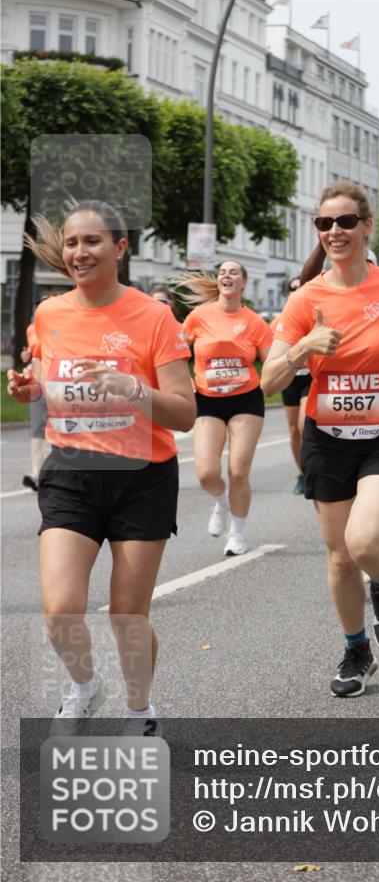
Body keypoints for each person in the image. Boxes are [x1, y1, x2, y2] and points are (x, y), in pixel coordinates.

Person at [6, 201, 195, 736]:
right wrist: (32, 386)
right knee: (61, 610)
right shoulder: (49, 313)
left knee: (126, 616)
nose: (79, 252)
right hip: (71, 472)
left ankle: (139, 710)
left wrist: (134, 389)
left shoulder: (153, 317)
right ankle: (86, 687)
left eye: (92, 242)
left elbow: (185, 412)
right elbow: (47, 372)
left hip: (143, 477)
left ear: (120, 247)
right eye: (71, 243)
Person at [261, 182, 379, 697]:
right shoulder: (306, 298)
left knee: (363, 542)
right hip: (328, 438)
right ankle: (356, 649)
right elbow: (268, 380)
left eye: (345, 222)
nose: (335, 232)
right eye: (325, 224)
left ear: (366, 226)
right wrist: (303, 348)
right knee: (340, 557)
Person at [178, 261, 273, 556]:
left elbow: (270, 362)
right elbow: (177, 352)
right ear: (218, 282)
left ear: (243, 282)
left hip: (246, 398)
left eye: (233, 272)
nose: (226, 276)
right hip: (207, 398)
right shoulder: (198, 316)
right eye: (222, 273)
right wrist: (183, 383)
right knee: (206, 472)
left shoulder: (255, 322)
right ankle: (221, 503)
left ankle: (238, 534)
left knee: (238, 471)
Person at [276, 277, 311, 495]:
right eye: (292, 288)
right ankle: (302, 473)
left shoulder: (312, 315)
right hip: (290, 378)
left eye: (301, 288)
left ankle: (312, 469)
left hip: (311, 376)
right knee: (293, 431)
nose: (296, 291)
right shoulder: (280, 319)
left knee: (303, 424)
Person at [20, 301, 50, 491]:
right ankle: (36, 474)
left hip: (58, 382)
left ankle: (52, 473)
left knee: (59, 429)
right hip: (36, 384)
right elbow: (31, 352)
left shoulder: (64, 326)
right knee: (37, 428)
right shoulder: (31, 329)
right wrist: (26, 355)